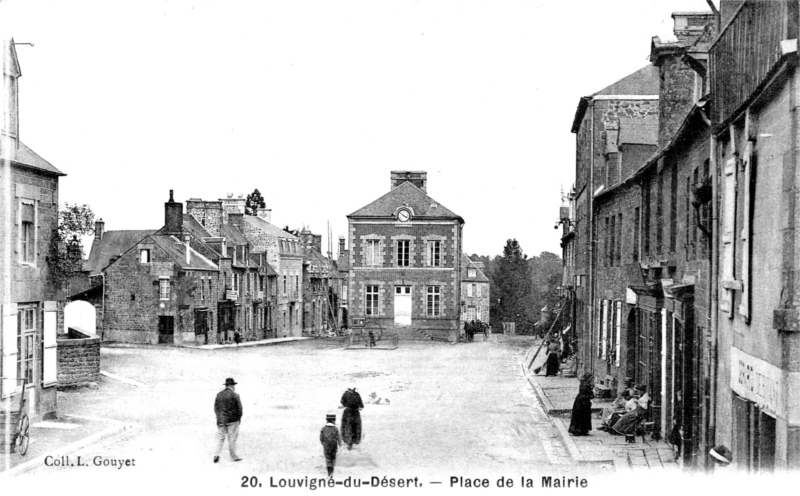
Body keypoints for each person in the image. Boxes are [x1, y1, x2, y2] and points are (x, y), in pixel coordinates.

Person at [213, 377, 243, 462]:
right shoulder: (235, 395)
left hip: (221, 420)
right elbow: (240, 409)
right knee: (232, 438)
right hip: (233, 420)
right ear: (232, 385)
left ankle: (216, 455)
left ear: (226, 385)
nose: (234, 387)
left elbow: (215, 408)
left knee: (220, 438)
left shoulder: (219, 395)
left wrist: (219, 417)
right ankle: (234, 457)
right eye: (233, 385)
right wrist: (238, 419)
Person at [340, 385, 364, 450]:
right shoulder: (357, 394)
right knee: (355, 427)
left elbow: (342, 402)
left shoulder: (345, 394)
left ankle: (348, 442)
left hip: (347, 412)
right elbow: (361, 405)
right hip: (355, 413)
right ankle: (354, 441)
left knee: (347, 427)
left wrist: (347, 404)